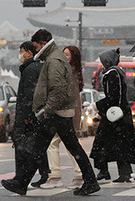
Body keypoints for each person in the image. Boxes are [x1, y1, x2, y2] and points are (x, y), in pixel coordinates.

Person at [1, 29, 100, 196]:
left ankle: (22, 182)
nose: (35, 49)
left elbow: (58, 89)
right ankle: (90, 180)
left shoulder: (53, 60)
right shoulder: (54, 57)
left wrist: (47, 111)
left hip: (56, 113)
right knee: (52, 147)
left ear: (43, 44)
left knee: (41, 148)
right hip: (60, 111)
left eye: (36, 46)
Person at [90, 48, 135, 182]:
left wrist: (98, 106)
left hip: (115, 115)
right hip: (119, 114)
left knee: (102, 142)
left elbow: (113, 96)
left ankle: (104, 170)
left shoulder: (112, 73)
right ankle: (123, 172)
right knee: (120, 144)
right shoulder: (118, 72)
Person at [5, 41, 49, 188]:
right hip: (34, 114)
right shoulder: (36, 67)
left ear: (29, 52)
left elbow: (29, 96)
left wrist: (27, 117)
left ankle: (20, 179)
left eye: (22, 51)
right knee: (36, 147)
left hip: (27, 116)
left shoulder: (30, 69)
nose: (21, 54)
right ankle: (40, 174)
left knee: (24, 148)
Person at [40, 46, 84, 189]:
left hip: (66, 114)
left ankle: (58, 176)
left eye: (67, 54)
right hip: (68, 113)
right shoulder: (74, 72)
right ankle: (78, 174)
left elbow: (68, 96)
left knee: (60, 144)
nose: (63, 57)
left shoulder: (68, 72)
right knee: (69, 145)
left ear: (73, 57)